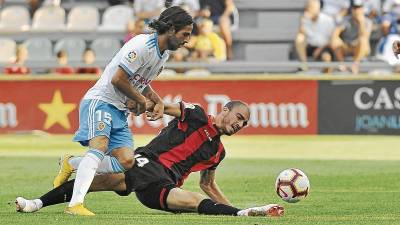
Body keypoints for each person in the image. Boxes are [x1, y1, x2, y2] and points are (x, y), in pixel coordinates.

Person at [15, 100, 284, 217]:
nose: (240, 125)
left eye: (244, 124)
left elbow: (208, 185)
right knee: (99, 182)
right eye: (239, 118)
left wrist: (231, 207)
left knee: (191, 200)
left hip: (161, 187)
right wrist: (151, 107)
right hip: (147, 161)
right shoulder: (196, 114)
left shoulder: (218, 152)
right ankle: (35, 203)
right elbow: (165, 106)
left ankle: (242, 214)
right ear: (225, 110)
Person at [52, 6, 194, 216]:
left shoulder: (162, 55)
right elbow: (117, 79)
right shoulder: (142, 45)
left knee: (126, 162)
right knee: (98, 147)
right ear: (171, 29)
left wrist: (157, 100)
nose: (187, 40)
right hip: (101, 101)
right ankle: (75, 205)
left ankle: (71, 162)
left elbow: (141, 81)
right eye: (185, 34)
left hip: (118, 111)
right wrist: (140, 101)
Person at [295, 0, 336, 73]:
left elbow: (332, 39)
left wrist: (320, 49)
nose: (309, 9)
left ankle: (325, 80)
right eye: (308, 7)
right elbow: (302, 34)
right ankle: (304, 64)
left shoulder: (328, 20)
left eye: (311, 7)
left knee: (326, 58)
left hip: (324, 47)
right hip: (310, 47)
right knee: (299, 38)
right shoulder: (305, 19)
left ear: (318, 8)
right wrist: (302, 21)